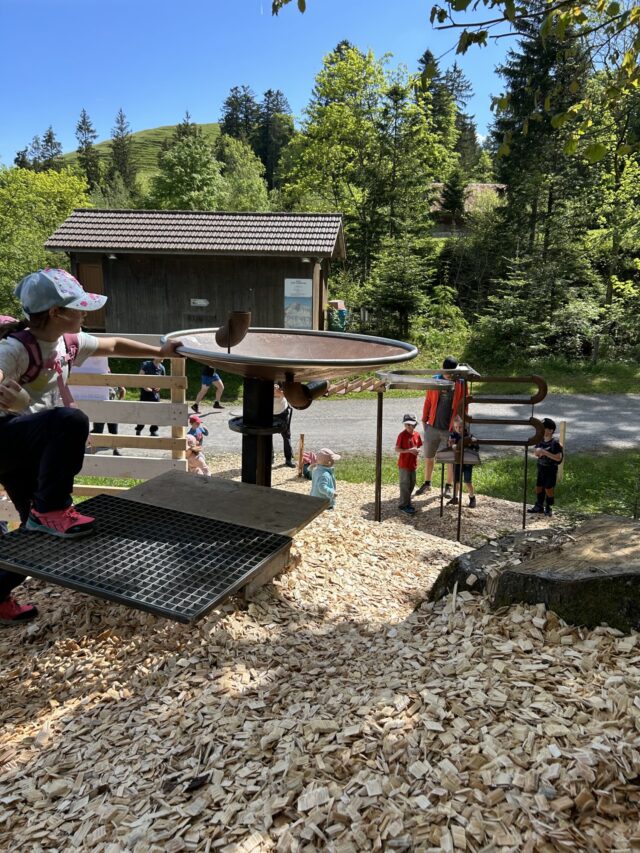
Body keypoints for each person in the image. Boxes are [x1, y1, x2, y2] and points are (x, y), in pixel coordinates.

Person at [0, 268, 182, 624]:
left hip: (26, 447)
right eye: (78, 307)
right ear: (56, 313)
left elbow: (114, 344)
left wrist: (162, 351)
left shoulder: (67, 341)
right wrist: (17, 398)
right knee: (70, 420)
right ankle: (51, 510)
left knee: (38, 539)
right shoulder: (16, 347)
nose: (85, 313)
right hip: (5, 441)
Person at [416, 356, 465, 498]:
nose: (450, 375)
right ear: (442, 369)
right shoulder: (435, 380)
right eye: (448, 372)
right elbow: (428, 401)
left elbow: (464, 405)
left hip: (450, 429)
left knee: (449, 459)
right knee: (429, 457)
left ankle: (448, 487)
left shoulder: (460, 383)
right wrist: (425, 420)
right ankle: (427, 483)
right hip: (432, 426)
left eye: (452, 372)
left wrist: (460, 426)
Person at [73, 354, 124, 456]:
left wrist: (120, 401)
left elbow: (123, 389)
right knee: (98, 431)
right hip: (100, 408)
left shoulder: (113, 378)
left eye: (108, 370)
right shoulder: (98, 378)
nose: (107, 371)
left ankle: (115, 450)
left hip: (112, 409)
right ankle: (89, 448)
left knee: (113, 431)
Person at [528, 417, 563, 517]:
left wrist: (544, 452)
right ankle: (539, 505)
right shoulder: (540, 441)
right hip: (541, 468)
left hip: (550, 469)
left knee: (548, 488)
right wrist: (538, 452)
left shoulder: (555, 443)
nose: (542, 430)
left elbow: (558, 458)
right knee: (539, 487)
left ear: (551, 430)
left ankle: (549, 506)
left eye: (544, 428)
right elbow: (536, 452)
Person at [446, 415, 478, 508]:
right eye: (456, 427)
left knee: (467, 482)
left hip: (467, 463)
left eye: (460, 427)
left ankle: (472, 498)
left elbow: (476, 447)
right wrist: (451, 445)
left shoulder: (469, 436)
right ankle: (455, 497)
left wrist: (473, 442)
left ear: (464, 426)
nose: (458, 429)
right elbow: (449, 446)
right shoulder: (452, 436)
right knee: (456, 481)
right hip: (457, 462)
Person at [395, 413, 422, 515]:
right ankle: (403, 505)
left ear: (415, 425)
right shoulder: (402, 435)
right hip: (404, 465)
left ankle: (408, 503)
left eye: (411, 425)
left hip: (413, 464)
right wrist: (409, 451)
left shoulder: (417, 435)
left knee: (412, 484)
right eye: (407, 425)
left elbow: (419, 446)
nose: (409, 427)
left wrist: (417, 450)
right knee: (404, 485)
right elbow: (397, 449)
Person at [135, 357, 165, 436]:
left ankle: (153, 430)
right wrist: (145, 387)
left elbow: (163, 381)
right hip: (145, 393)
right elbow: (140, 376)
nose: (163, 358)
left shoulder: (162, 368)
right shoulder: (146, 364)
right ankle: (139, 429)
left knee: (156, 412)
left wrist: (159, 386)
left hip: (155, 394)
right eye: (161, 356)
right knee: (143, 412)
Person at [273, 383, 296, 468]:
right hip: (269, 412)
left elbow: (287, 393)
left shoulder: (281, 379)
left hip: (283, 412)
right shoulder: (264, 378)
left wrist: (278, 391)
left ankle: (289, 459)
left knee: (286, 436)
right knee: (266, 435)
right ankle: (270, 457)